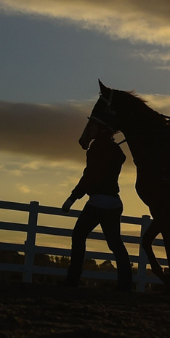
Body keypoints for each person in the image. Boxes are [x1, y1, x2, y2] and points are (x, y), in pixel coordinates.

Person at [62, 119, 132, 291]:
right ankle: (125, 283)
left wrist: (72, 198)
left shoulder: (96, 149)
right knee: (115, 243)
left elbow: (89, 176)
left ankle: (73, 280)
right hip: (114, 203)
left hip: (97, 203)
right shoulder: (114, 150)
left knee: (79, 236)